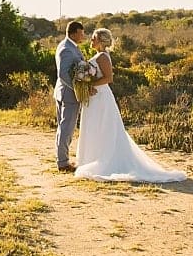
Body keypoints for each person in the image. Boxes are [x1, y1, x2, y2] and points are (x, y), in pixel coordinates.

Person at [75, 28, 187, 183]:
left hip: (101, 96)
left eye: (94, 38)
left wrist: (90, 84)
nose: (91, 41)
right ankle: (91, 158)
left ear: (100, 40)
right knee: (94, 126)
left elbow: (109, 78)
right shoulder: (98, 56)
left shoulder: (102, 57)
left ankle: (104, 160)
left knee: (104, 126)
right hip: (94, 96)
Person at [53, 20, 88, 171]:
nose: (83, 35)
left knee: (63, 128)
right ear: (73, 33)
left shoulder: (70, 46)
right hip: (68, 94)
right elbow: (63, 74)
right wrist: (78, 89)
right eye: (81, 33)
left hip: (63, 93)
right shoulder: (67, 49)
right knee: (66, 129)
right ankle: (63, 163)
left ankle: (62, 159)